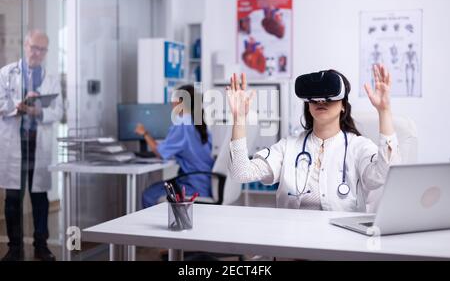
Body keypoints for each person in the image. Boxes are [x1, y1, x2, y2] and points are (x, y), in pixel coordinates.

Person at [227, 65, 400, 211]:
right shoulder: (289, 146)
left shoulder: (358, 147)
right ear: (308, 104)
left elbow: (383, 175)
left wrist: (384, 111)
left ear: (343, 107)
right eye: (314, 99)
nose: (320, 101)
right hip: (292, 242)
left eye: (328, 98)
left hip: (341, 243)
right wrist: (239, 119)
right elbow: (240, 173)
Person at [0, 30, 63, 261]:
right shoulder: (6, 73)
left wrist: (38, 110)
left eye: (42, 49)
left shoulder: (51, 78)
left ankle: (41, 245)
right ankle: (14, 247)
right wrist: (17, 107)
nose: (37, 52)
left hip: (38, 143)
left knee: (39, 197)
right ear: (25, 46)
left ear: (46, 52)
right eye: (34, 47)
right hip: (14, 143)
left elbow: (58, 111)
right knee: (13, 197)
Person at [135, 85, 214, 208]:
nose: (171, 102)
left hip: (193, 186)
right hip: (205, 183)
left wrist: (144, 133)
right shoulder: (199, 123)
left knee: (149, 195)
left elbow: (160, 153)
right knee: (160, 187)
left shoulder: (182, 125)